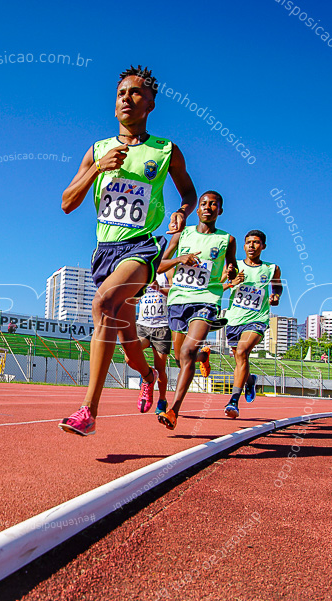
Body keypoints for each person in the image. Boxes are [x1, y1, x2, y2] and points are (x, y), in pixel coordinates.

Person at [58, 66, 197, 437]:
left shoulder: (165, 150)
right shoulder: (98, 150)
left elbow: (188, 193)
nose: (126, 98)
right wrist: (96, 170)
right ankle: (149, 373)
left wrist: (183, 212)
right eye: (121, 93)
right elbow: (67, 203)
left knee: (103, 304)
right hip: (105, 251)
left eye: (136, 93)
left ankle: (88, 410)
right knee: (128, 343)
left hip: (142, 247)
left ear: (151, 103)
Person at [156, 190, 237, 430]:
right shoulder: (183, 233)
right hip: (178, 300)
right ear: (198, 208)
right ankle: (204, 357)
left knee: (188, 351)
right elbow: (159, 266)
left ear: (220, 210)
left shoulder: (227, 240)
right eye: (203, 203)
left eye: (214, 204)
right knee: (181, 357)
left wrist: (230, 271)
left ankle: (174, 410)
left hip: (206, 300)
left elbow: (230, 265)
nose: (208, 207)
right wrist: (180, 259)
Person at [221, 229, 281, 418]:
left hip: (257, 319)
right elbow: (216, 286)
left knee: (241, 352)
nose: (252, 246)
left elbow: (277, 285)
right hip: (233, 320)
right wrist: (231, 283)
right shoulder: (234, 266)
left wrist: (276, 295)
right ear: (244, 245)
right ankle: (249, 380)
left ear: (263, 246)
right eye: (248, 242)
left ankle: (233, 401)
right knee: (240, 359)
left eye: (256, 242)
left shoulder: (271, 268)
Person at [129, 272, 172, 415]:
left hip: (162, 327)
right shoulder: (143, 272)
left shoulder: (168, 273)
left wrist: (159, 288)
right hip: (143, 326)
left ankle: (162, 400)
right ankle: (148, 374)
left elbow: (176, 293)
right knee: (129, 356)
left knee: (161, 369)